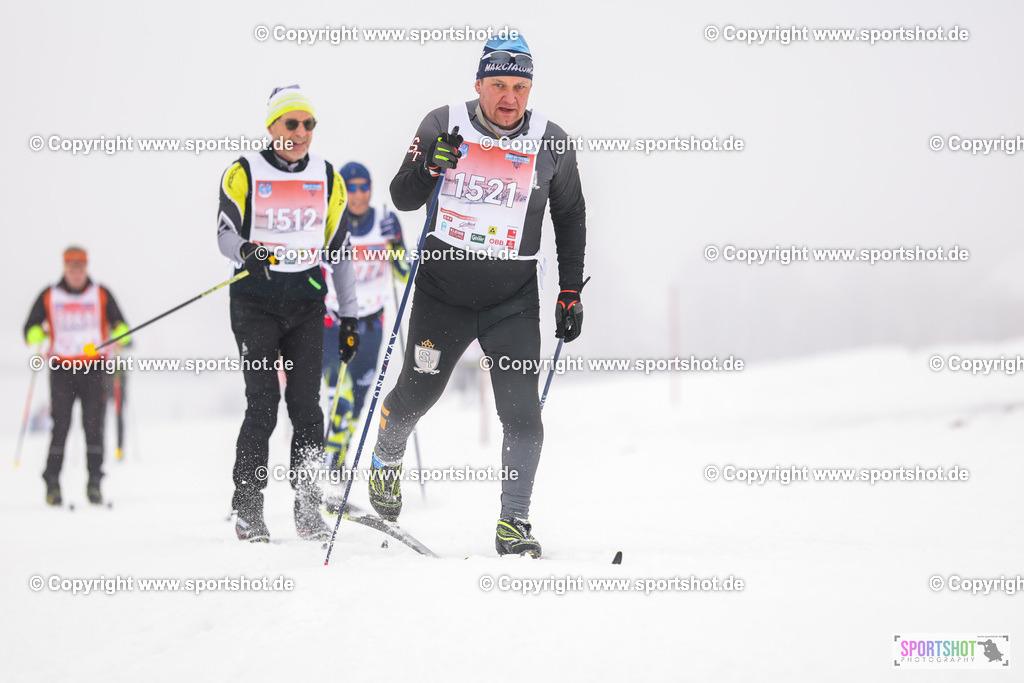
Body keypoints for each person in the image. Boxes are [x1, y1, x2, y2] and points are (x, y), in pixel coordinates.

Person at [368, 35, 587, 557]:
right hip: (442, 297)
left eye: (520, 87)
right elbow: (402, 196)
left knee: (522, 414)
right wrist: (430, 167)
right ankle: (386, 456)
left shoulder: (552, 143)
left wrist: (570, 290)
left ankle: (514, 523)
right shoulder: (443, 123)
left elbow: (570, 216)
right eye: (498, 85)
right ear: (479, 84)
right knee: (416, 396)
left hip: (512, 302)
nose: (510, 98)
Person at [216, 85, 360, 543]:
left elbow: (340, 250)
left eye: (308, 123)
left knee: (306, 407)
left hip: (305, 304)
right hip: (254, 302)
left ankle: (307, 507)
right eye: (291, 123)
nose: (301, 132)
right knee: (262, 406)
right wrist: (246, 250)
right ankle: (248, 508)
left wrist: (351, 318)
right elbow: (224, 234)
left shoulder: (328, 177)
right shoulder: (243, 172)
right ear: (272, 126)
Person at [321, 162, 410, 487]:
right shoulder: (332, 221)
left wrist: (396, 241)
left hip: (372, 325)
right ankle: (329, 466)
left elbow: (404, 274)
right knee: (340, 398)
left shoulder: (385, 221)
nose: (359, 194)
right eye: (352, 187)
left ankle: (337, 461)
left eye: (364, 186)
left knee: (357, 402)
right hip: (335, 324)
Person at [23, 246, 130, 506]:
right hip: (62, 370)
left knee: (93, 427)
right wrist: (36, 334)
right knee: (60, 426)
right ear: (65, 269)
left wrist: (122, 334)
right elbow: (29, 328)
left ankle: (95, 482)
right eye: (72, 269)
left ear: (86, 268)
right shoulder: (50, 295)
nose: (76, 273)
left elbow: (120, 323)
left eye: (80, 268)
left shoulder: (100, 293)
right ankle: (52, 483)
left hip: (94, 369)